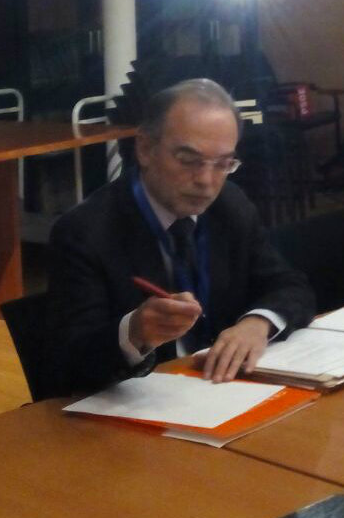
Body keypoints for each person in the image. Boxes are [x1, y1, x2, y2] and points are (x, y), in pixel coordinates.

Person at [49, 78, 314, 389]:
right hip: (140, 398)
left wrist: (258, 322)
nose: (206, 180)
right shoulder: (86, 232)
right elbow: (70, 363)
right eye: (189, 160)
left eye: (223, 164)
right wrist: (133, 333)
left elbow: (291, 285)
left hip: (222, 387)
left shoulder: (231, 206)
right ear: (145, 149)